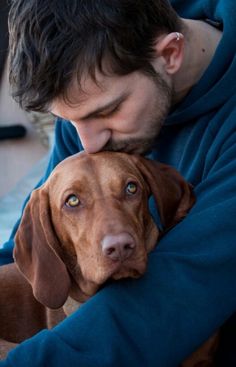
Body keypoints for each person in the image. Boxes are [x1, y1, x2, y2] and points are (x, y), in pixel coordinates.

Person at [1, 0, 236, 365]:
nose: (88, 145)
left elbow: (175, 294)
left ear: (170, 54)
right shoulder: (93, 91)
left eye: (106, 111)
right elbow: (31, 244)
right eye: (70, 121)